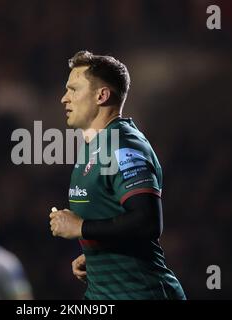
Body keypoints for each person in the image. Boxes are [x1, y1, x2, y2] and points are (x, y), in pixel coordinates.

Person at [49, 50, 186, 300]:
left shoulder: (123, 145)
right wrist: (97, 255)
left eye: (73, 89)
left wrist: (81, 227)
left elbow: (147, 221)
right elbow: (116, 219)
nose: (64, 99)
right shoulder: (96, 146)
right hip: (103, 294)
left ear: (101, 95)